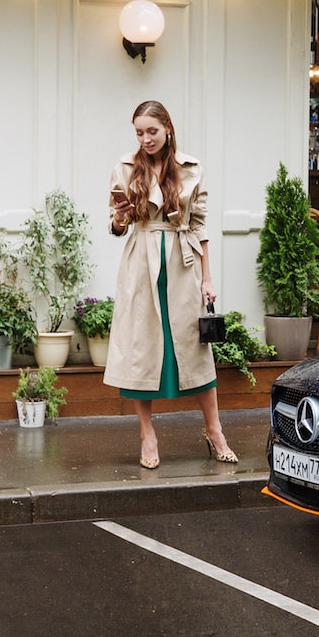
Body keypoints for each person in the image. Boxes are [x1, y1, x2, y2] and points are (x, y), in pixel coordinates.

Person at [104, 100, 237, 470]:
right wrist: (120, 217)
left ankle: (215, 431)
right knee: (141, 348)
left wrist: (207, 278)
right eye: (139, 133)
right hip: (141, 262)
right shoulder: (125, 167)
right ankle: (147, 434)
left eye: (152, 131)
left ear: (167, 128)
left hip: (181, 262)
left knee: (195, 348)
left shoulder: (190, 168)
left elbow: (200, 225)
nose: (145, 139)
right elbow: (116, 226)